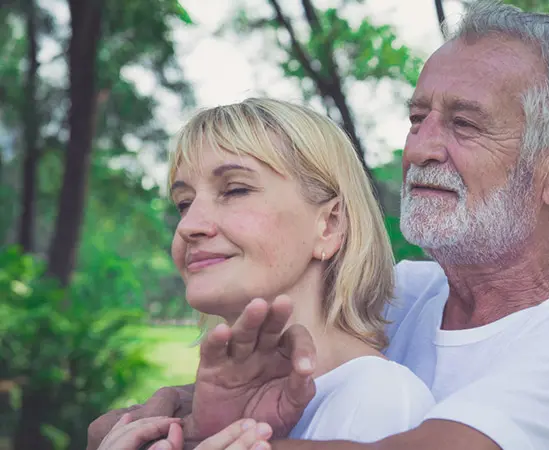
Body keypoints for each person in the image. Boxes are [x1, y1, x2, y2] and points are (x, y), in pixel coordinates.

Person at [88, 1, 549, 449]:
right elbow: (294, 374)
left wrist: (192, 436)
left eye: (464, 124)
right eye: (417, 117)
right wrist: (173, 409)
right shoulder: (403, 295)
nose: (420, 147)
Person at [90, 98, 435, 450]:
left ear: (329, 225)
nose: (189, 226)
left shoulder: (379, 403)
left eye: (235, 190)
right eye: (184, 203)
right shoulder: (190, 415)